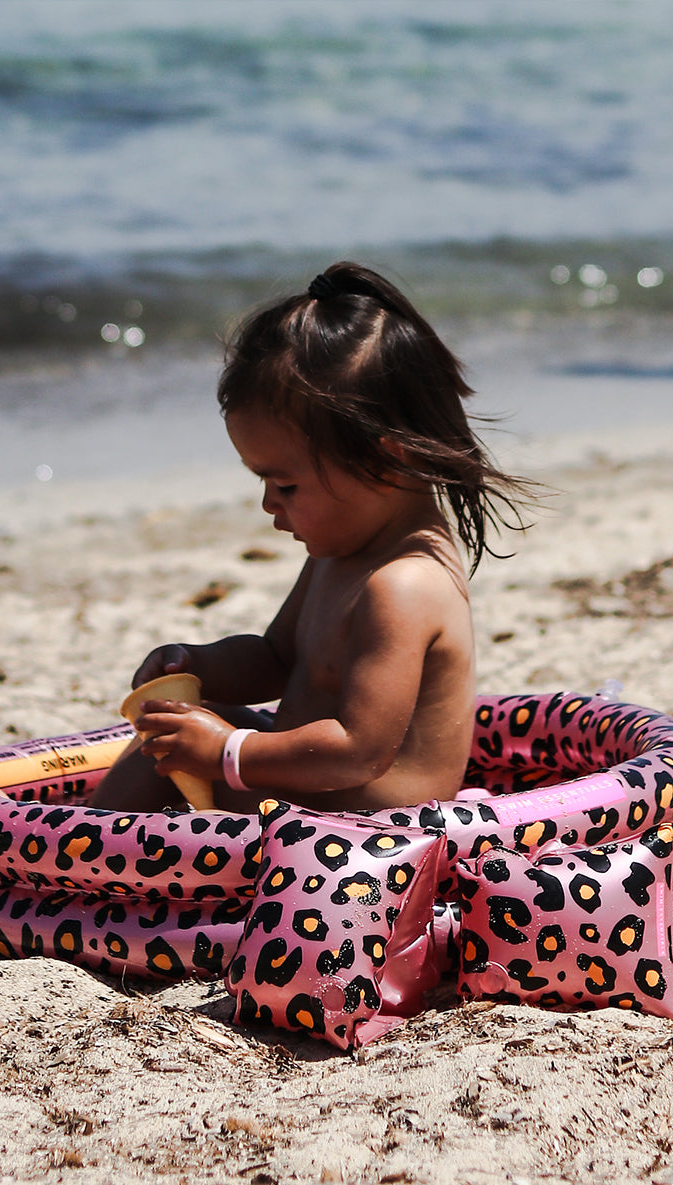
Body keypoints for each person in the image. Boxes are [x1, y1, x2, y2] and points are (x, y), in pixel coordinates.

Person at [90, 262, 535, 814]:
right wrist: (197, 665)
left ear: (384, 461)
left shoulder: (404, 586)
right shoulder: (343, 554)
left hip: (371, 834)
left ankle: (87, 858)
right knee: (171, 737)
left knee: (185, 750)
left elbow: (359, 751)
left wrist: (228, 751)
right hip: (310, 802)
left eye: (285, 484)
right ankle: (97, 847)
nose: (269, 504)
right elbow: (278, 658)